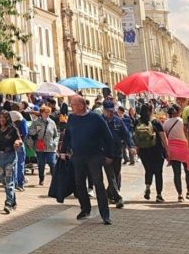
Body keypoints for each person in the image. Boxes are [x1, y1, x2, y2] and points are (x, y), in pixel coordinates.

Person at [60, 94, 113, 225]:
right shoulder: (72, 118)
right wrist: (63, 150)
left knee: (98, 184)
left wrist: (109, 155)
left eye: (73, 104)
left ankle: (105, 214)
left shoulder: (96, 118)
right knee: (79, 184)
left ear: (82, 105)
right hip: (78, 156)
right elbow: (68, 135)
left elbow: (108, 136)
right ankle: (85, 209)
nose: (71, 107)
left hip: (94, 155)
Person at [134, 104, 167, 202]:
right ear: (151, 110)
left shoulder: (137, 122)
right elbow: (163, 137)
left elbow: (135, 137)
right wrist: (167, 150)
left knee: (148, 170)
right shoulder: (156, 122)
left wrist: (137, 149)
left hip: (144, 151)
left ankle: (148, 187)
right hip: (157, 150)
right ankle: (159, 195)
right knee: (158, 173)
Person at [162, 104, 189, 201]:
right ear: (179, 112)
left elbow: (165, 136)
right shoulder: (183, 121)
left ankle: (180, 195)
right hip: (185, 149)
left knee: (177, 173)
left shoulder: (166, 123)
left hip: (173, 149)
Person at [100, 100, 128, 208]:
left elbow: (126, 134)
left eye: (112, 111)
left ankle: (109, 194)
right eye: (108, 111)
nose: (111, 113)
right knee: (111, 176)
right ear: (104, 110)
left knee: (117, 175)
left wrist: (131, 146)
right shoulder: (100, 121)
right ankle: (118, 198)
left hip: (117, 152)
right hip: (106, 154)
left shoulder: (118, 121)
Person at [27, 104, 58, 185]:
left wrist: (55, 143)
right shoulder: (36, 122)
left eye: (48, 112)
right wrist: (36, 130)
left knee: (52, 163)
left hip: (51, 147)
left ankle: (55, 180)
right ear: (41, 113)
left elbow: (56, 135)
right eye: (45, 112)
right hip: (40, 147)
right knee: (41, 164)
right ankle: (41, 179)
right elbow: (29, 131)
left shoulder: (52, 122)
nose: (47, 114)